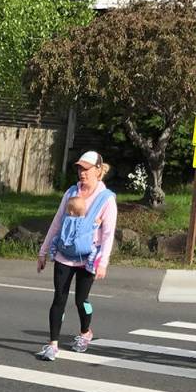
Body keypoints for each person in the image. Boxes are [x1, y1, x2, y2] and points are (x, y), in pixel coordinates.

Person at [35, 150, 118, 361]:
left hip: (88, 258)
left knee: (81, 300)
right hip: (64, 254)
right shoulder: (71, 192)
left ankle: (85, 332)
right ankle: (52, 345)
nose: (82, 172)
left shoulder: (106, 199)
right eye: (79, 168)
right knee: (59, 298)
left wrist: (103, 262)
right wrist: (43, 251)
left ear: (98, 170)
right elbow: (57, 222)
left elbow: (108, 234)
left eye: (86, 168)